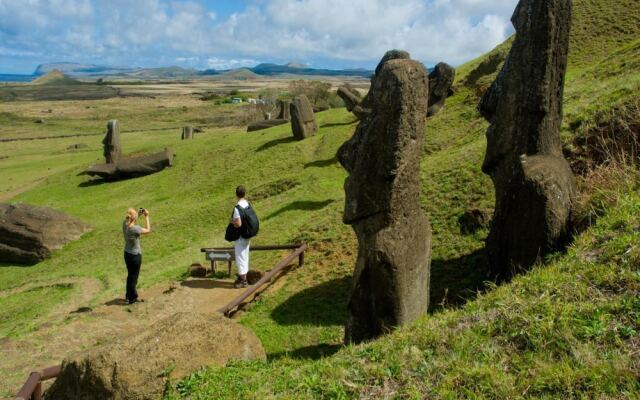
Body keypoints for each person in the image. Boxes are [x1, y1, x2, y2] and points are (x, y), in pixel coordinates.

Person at [123, 207, 151, 304]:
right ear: (133, 217)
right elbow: (148, 230)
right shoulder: (135, 229)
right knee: (133, 277)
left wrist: (138, 214)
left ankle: (128, 296)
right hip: (135, 256)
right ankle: (132, 298)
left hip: (127, 254)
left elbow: (131, 219)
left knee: (130, 276)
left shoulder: (124, 224)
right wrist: (147, 217)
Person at [231, 186, 251, 288]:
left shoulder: (237, 207)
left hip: (240, 236)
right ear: (244, 193)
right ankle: (244, 277)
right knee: (245, 256)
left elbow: (238, 224)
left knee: (240, 257)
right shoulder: (247, 204)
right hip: (247, 234)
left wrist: (232, 221)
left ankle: (243, 280)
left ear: (236, 194)